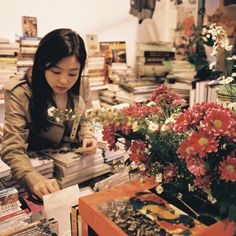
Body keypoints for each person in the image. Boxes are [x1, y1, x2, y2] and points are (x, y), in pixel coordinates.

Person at [1, 28, 97, 199]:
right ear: (42, 65)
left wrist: (88, 135)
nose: (64, 80)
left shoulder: (81, 84)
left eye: (73, 73)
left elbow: (85, 117)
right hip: (35, 171)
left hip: (71, 172)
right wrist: (33, 179)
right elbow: (13, 149)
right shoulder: (21, 93)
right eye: (56, 71)